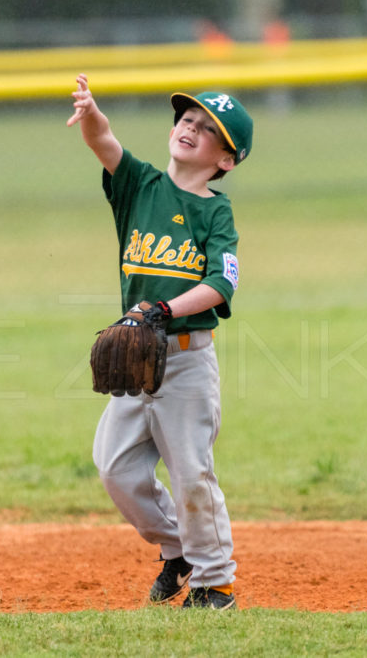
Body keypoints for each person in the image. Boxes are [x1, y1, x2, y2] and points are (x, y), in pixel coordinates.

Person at [67, 73, 251, 610]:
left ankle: (216, 582)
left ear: (226, 159)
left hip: (186, 361)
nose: (190, 129)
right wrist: (92, 111)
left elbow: (222, 283)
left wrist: (163, 309)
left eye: (208, 129)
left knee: (192, 471)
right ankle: (178, 549)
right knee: (115, 467)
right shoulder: (141, 186)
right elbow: (104, 142)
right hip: (135, 358)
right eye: (187, 120)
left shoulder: (214, 211)